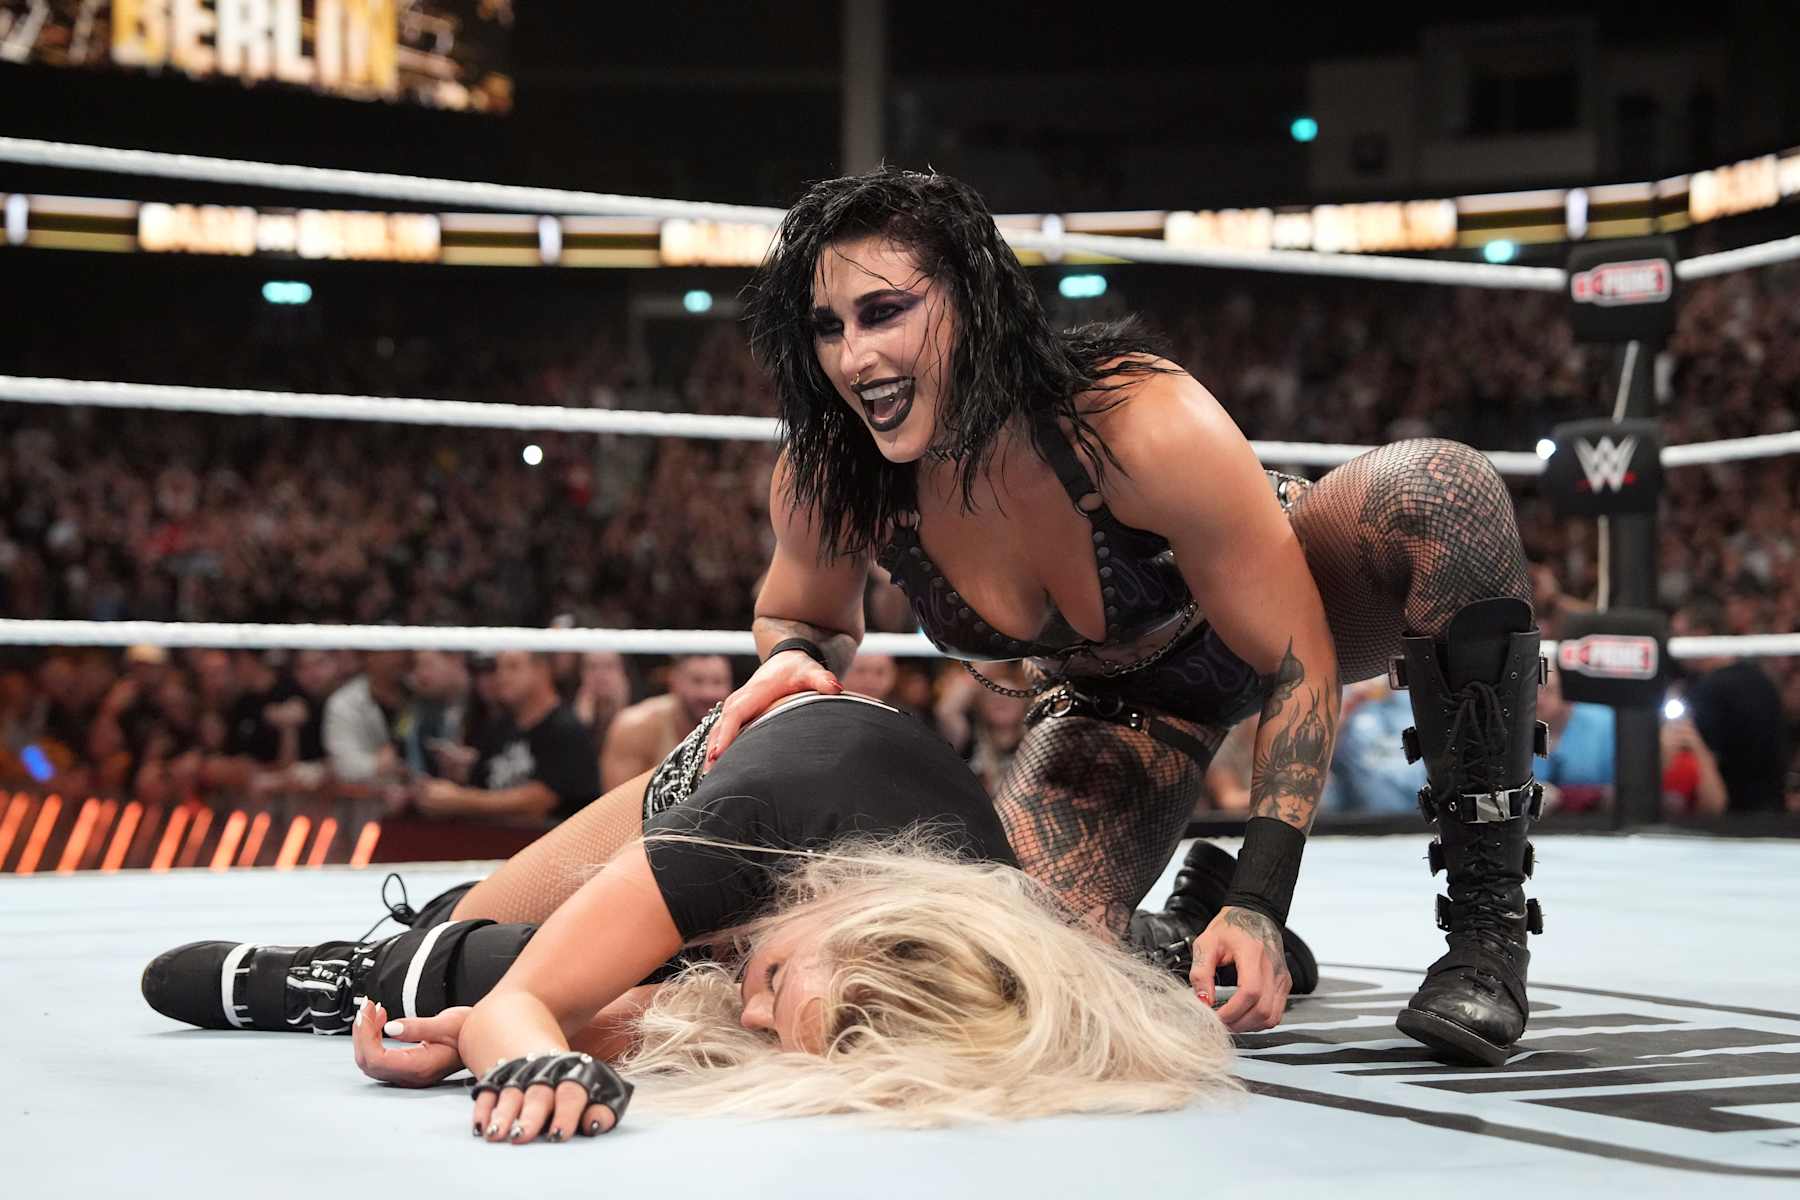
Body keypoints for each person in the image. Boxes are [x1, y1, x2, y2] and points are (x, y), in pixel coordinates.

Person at [707, 166, 1545, 1067]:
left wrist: (1264, 898)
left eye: (884, 312)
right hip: (1118, 706)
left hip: (1299, 597)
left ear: (970, 298)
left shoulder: (1130, 417)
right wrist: (794, 660)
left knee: (1441, 489)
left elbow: (1300, 660)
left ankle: (1486, 936)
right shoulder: (835, 474)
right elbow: (802, 613)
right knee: (1007, 966)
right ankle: (1186, 933)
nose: (854, 358)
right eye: (828, 327)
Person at [141, 691, 1244, 1141]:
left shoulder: (987, 938)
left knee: (706, 1011)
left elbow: (1067, 997)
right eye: (790, 997)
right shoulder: (742, 835)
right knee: (450, 958)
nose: (760, 1022)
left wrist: (1233, 943)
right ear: (843, 929)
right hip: (735, 767)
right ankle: (354, 970)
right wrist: (529, 1057)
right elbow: (520, 1002)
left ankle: (1163, 938)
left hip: (864, 854)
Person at [414, 650, 599, 821]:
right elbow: (483, 784)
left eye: (513, 667)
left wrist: (460, 800)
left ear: (541, 670)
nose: (501, 677)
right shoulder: (498, 728)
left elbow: (540, 801)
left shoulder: (566, 731)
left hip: (553, 849)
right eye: (499, 668)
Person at [599, 654, 732, 790]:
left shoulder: (739, 728)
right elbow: (618, 803)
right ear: (674, 682)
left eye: (717, 682)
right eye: (697, 681)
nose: (707, 692)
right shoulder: (636, 727)